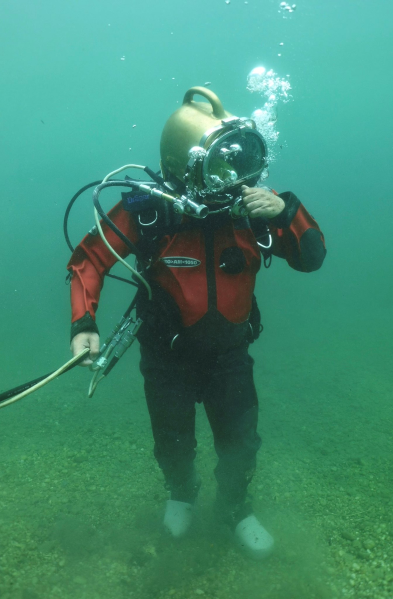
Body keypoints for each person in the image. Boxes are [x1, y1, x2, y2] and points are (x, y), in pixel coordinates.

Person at [68, 87, 326, 560]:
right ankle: (182, 495)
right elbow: (89, 260)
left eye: (239, 163)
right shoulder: (148, 211)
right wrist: (83, 322)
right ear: (183, 165)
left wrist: (287, 210)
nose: (233, 180)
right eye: (219, 166)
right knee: (171, 441)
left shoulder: (256, 211)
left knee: (241, 442)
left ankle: (235, 509)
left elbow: (311, 257)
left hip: (230, 355)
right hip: (166, 359)